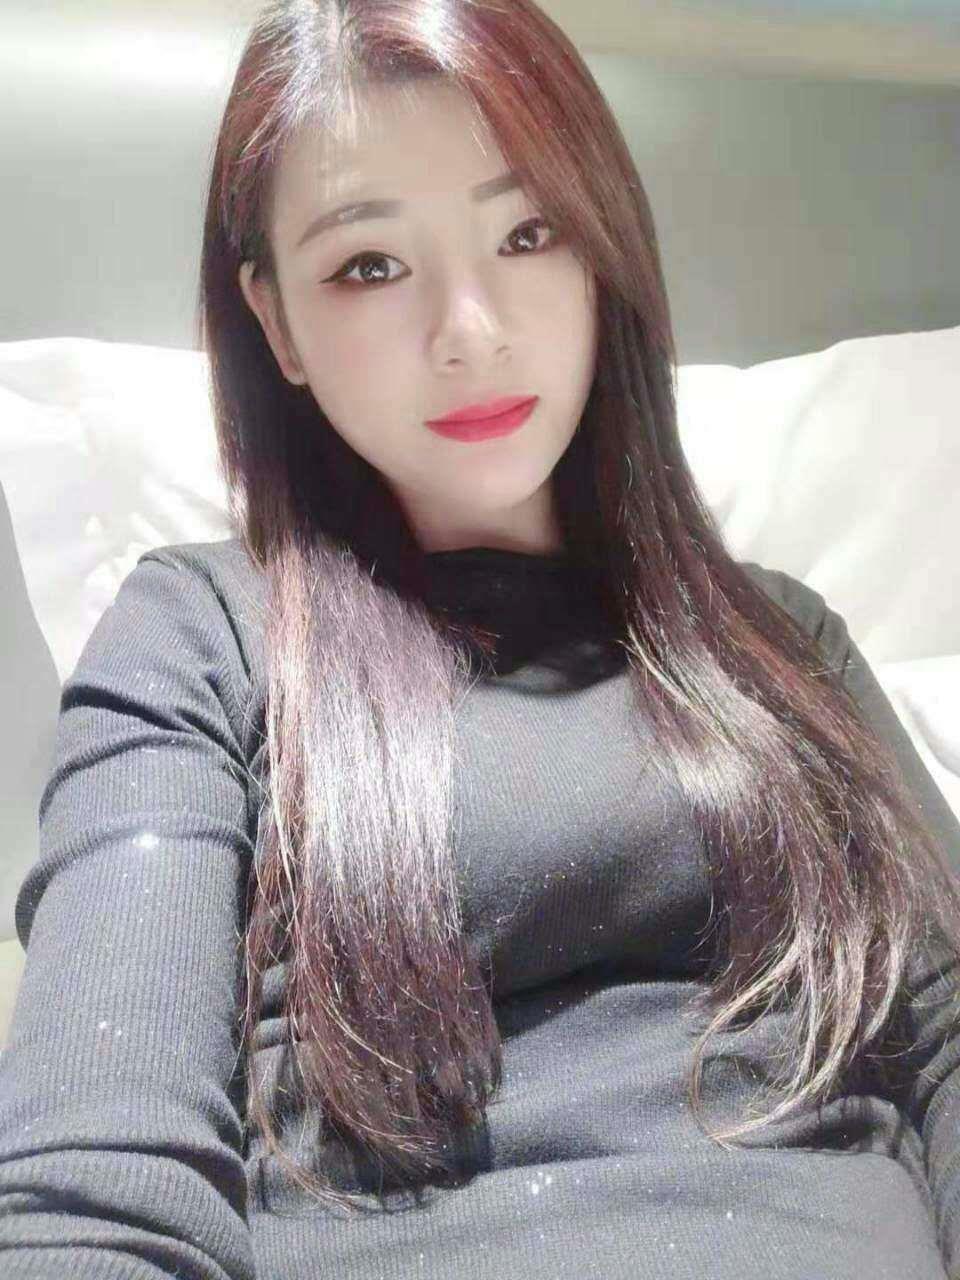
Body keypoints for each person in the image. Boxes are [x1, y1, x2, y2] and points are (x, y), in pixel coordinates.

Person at [1, 0, 959, 1276]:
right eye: (369, 265)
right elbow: (101, 1185)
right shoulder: (204, 634)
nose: (471, 328)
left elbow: (945, 1038)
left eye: (528, 231)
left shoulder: (782, 637)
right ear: (275, 323)